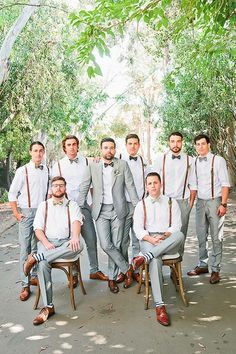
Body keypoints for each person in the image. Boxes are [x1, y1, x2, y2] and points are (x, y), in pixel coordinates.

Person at [78, 137, 139, 293]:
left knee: (117, 244)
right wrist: (79, 207)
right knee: (106, 244)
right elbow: (84, 187)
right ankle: (127, 269)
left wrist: (138, 208)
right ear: (101, 149)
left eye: (111, 147)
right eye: (106, 147)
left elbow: (130, 186)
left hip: (119, 210)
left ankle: (112, 279)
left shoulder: (122, 165)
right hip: (100, 211)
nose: (109, 150)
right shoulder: (92, 167)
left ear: (115, 149)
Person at [23, 176, 83, 325]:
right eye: (55, 185)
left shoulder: (72, 204)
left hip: (66, 243)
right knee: (43, 264)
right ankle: (48, 307)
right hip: (47, 242)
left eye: (61, 185)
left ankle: (36, 257)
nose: (58, 188)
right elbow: (38, 229)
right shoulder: (44, 205)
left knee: (79, 246)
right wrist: (45, 243)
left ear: (65, 188)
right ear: (51, 189)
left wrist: (75, 237)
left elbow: (76, 221)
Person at [51, 135, 107, 283]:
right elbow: (54, 188)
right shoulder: (58, 165)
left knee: (91, 239)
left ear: (78, 146)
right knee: (71, 241)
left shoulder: (87, 162)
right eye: (69, 145)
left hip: (84, 207)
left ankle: (94, 270)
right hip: (66, 209)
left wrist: (93, 204)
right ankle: (73, 274)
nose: (72, 147)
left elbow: (94, 185)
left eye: (74, 144)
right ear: (64, 147)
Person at [133, 172, 184, 326]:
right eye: (150, 183)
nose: (153, 186)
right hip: (149, 240)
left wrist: (165, 236)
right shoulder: (141, 205)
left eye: (156, 182)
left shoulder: (171, 202)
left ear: (160, 184)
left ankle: (146, 256)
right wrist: (150, 239)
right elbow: (138, 229)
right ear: (146, 186)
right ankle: (160, 307)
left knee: (180, 235)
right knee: (155, 260)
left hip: (167, 239)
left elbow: (176, 225)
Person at [8, 141, 49, 301]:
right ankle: (25, 285)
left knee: (37, 247)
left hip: (42, 212)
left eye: (41, 151)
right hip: (27, 212)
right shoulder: (22, 170)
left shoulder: (46, 170)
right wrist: (16, 214)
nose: (38, 154)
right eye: (35, 151)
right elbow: (12, 194)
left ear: (43, 153)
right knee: (25, 248)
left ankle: (33, 276)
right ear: (30, 152)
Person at [187, 134, 230, 284]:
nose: (200, 147)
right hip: (200, 202)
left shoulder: (218, 161)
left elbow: (225, 184)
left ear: (209, 145)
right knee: (201, 235)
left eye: (203, 144)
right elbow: (193, 185)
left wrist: (223, 204)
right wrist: (190, 205)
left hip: (215, 201)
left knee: (216, 236)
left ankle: (216, 269)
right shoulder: (194, 163)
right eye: (197, 144)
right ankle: (203, 265)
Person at [152, 132, 197, 256]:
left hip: (183, 201)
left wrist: (190, 205)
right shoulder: (160, 159)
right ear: (169, 142)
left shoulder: (190, 160)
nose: (175, 144)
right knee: (162, 232)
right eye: (173, 141)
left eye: (178, 141)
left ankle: (177, 268)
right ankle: (160, 263)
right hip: (164, 201)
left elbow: (193, 184)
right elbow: (153, 181)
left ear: (182, 142)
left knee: (181, 234)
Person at [117, 133, 145, 284]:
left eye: (135, 143)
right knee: (122, 240)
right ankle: (124, 270)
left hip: (139, 205)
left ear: (139, 145)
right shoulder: (119, 160)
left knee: (137, 239)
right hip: (123, 204)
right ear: (126, 145)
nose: (133, 146)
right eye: (130, 143)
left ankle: (135, 270)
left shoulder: (143, 161)